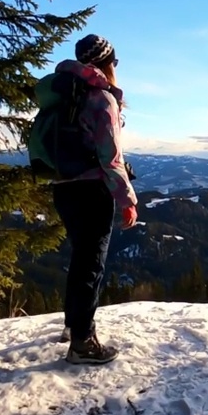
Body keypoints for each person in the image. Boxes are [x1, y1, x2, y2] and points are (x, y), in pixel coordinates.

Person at [50, 34, 138, 365]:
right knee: (91, 264)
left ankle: (74, 326)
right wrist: (127, 198)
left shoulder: (64, 96)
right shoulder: (101, 99)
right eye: (114, 62)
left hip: (64, 187)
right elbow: (110, 158)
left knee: (81, 259)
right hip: (92, 190)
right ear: (106, 63)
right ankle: (83, 342)